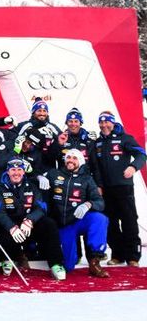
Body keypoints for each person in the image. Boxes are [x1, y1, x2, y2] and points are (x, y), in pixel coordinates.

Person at [0, 158, 67, 280]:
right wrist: (11, 227)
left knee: (49, 224)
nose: (16, 173)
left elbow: (41, 207)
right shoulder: (0, 188)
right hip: (11, 226)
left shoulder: (31, 186)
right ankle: (7, 258)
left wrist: (30, 220)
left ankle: (56, 263)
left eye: (19, 170)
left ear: (23, 172)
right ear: (8, 172)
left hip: (27, 225)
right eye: (13, 170)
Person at [92, 111, 146, 266]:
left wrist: (133, 167)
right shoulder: (98, 143)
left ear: (113, 123)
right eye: (101, 123)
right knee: (110, 222)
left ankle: (133, 257)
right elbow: (96, 167)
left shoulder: (125, 138)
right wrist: (99, 186)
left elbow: (142, 154)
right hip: (106, 190)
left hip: (124, 187)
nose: (104, 126)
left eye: (106, 122)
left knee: (129, 220)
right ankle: (117, 254)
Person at [45, 149, 109, 277]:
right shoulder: (54, 173)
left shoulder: (87, 179)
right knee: (68, 265)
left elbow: (100, 202)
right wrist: (40, 177)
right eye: (68, 157)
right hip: (63, 225)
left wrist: (88, 204)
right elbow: (31, 178)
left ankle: (95, 259)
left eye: (74, 158)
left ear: (80, 161)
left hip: (79, 220)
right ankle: (68, 261)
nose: (70, 161)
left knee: (100, 219)